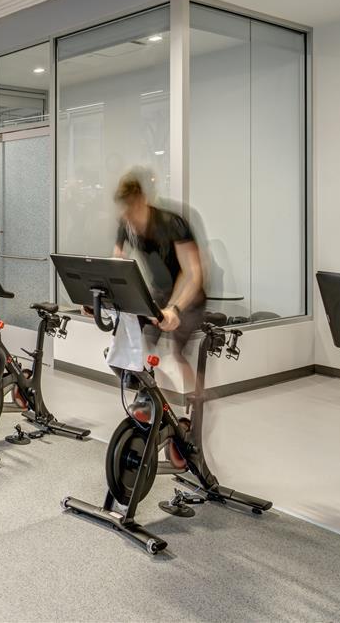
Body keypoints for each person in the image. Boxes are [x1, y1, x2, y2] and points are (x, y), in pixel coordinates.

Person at [109, 167, 205, 467]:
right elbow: (116, 265)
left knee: (178, 352)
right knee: (131, 350)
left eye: (132, 209)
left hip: (189, 294)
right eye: (124, 211)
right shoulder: (125, 223)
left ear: (142, 201)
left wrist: (175, 309)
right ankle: (151, 400)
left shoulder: (171, 223)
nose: (129, 217)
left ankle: (195, 413)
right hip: (158, 294)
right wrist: (102, 297)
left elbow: (193, 273)